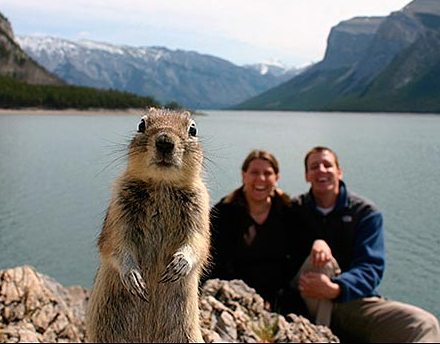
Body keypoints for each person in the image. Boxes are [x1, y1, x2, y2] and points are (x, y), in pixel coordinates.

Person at [291, 145, 440, 342]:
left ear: (339, 172)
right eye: (314, 167)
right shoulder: (293, 209)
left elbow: (371, 267)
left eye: (327, 165)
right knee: (322, 263)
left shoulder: (365, 213)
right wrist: (317, 244)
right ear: (307, 176)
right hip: (306, 296)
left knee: (424, 324)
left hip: (351, 301)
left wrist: (337, 288)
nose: (321, 170)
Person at [205, 149, 298, 315]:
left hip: (280, 297)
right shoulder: (224, 213)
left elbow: (300, 254)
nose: (260, 179)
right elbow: (214, 262)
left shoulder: (289, 211)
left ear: (277, 178)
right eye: (254, 172)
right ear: (244, 175)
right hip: (234, 296)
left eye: (267, 173)